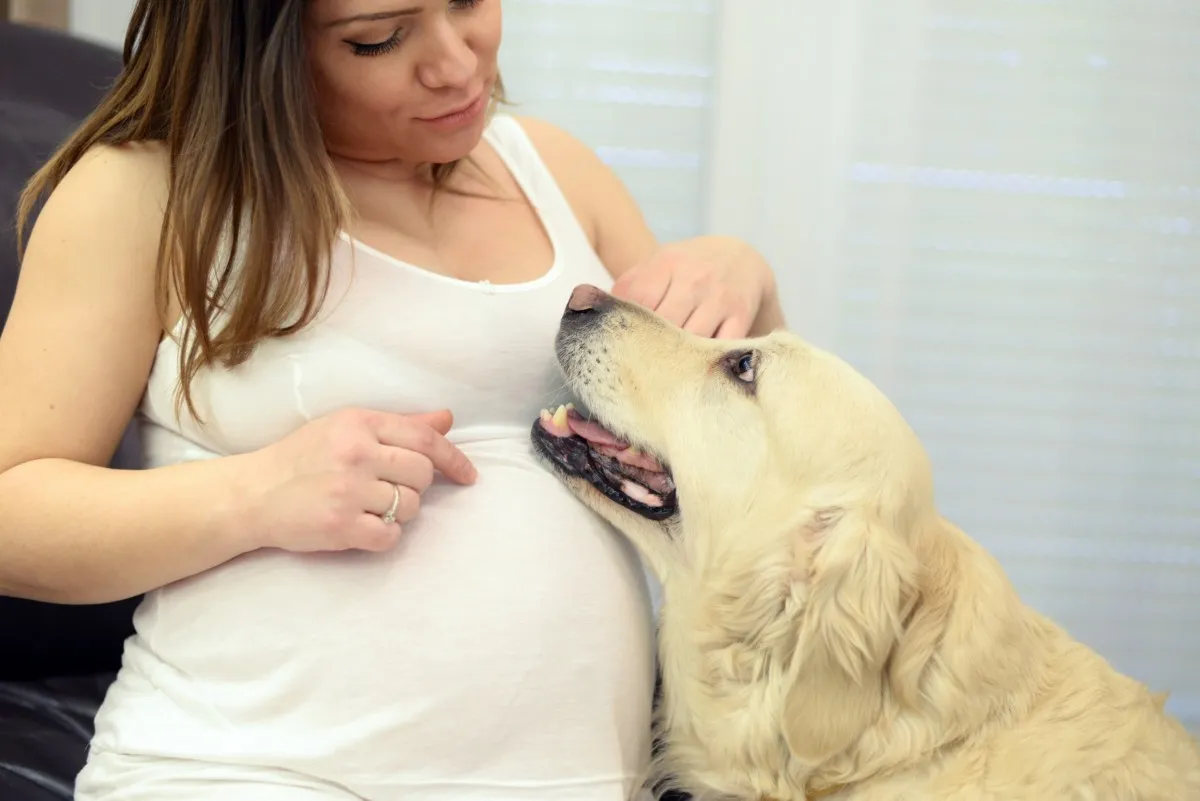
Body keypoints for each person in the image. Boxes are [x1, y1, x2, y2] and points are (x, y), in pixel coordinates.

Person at [0, 1, 786, 799]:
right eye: (377, 38)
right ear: (256, 51)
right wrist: (254, 495)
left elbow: (744, 467)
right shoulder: (146, 192)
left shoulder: (555, 169)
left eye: (466, 1)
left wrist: (746, 280)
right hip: (251, 772)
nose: (455, 61)